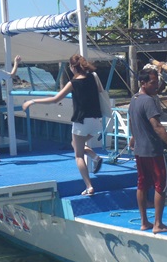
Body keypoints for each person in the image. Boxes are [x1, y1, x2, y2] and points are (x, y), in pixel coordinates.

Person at [22, 54, 105, 196]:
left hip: (81, 121)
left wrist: (33, 101)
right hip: (96, 121)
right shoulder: (93, 77)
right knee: (75, 144)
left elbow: (55, 99)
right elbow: (100, 93)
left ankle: (89, 186)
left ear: (72, 67)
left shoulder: (73, 83)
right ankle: (95, 157)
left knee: (78, 155)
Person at [128, 68, 167, 233]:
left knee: (142, 184)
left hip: (139, 151)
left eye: (157, 82)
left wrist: (134, 138)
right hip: (153, 150)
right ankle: (158, 224)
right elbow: (158, 126)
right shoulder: (148, 100)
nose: (157, 85)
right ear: (143, 83)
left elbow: (133, 121)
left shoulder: (134, 99)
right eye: (153, 82)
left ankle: (144, 222)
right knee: (160, 185)